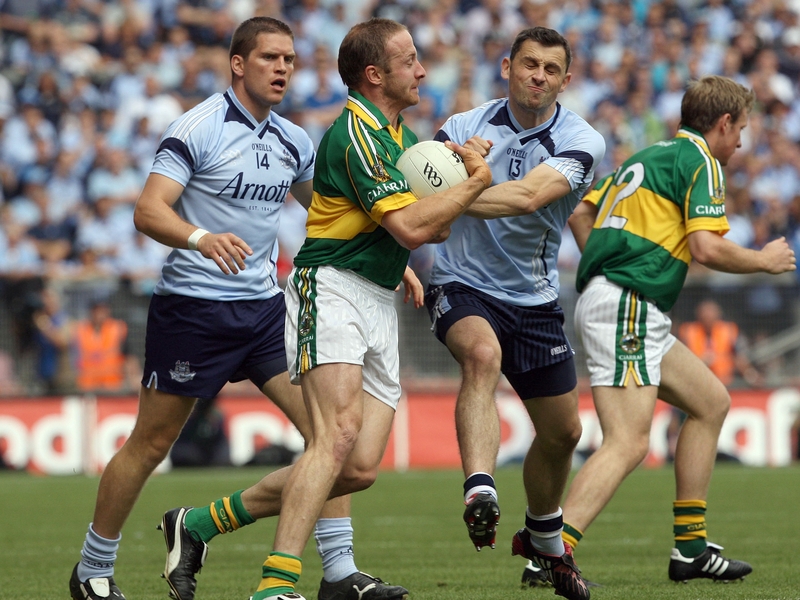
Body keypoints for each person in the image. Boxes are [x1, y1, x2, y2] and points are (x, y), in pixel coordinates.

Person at [68, 17, 406, 600]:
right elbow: (148, 211)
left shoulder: (295, 141)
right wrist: (201, 238)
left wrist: (388, 261)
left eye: (291, 60)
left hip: (264, 314)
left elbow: (332, 216)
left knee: (332, 441)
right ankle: (92, 568)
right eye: (271, 57)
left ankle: (339, 570)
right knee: (150, 443)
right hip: (193, 310)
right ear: (238, 64)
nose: (283, 69)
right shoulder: (196, 128)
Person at [250, 18, 491, 600]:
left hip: (379, 296)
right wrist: (475, 182)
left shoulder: (401, 139)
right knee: (334, 437)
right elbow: (411, 226)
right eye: (411, 60)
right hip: (329, 287)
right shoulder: (356, 133)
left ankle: (202, 523)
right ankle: (275, 584)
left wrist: (455, 172)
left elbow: (431, 230)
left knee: (357, 467)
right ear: (376, 75)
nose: (423, 70)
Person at [562, 75, 795, 584]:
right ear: (723, 122)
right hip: (628, 304)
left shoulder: (647, 156)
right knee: (626, 442)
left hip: (626, 302)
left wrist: (604, 261)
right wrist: (764, 260)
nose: (742, 142)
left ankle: (689, 549)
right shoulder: (701, 161)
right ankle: (552, 553)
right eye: (742, 130)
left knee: (711, 402)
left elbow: (582, 209)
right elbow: (708, 248)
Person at [423, 27, 605, 600]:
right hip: (460, 283)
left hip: (534, 297)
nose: (539, 76)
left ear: (566, 80)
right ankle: (480, 486)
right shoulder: (459, 128)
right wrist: (451, 184)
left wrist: (465, 181)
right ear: (507, 65)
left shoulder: (583, 140)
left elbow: (528, 197)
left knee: (565, 432)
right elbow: (424, 202)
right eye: (530, 64)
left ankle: (543, 534)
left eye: (552, 70)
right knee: (481, 355)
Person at [678, 298, 762, 387]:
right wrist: (701, 362)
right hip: (695, 381)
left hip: (726, 383)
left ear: (718, 314)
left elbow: (740, 357)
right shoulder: (688, 331)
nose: (707, 315)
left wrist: (751, 376)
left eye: (710, 311)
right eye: (704, 312)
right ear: (698, 314)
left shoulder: (730, 331)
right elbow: (680, 359)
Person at [74, 297, 138, 394]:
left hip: (112, 385)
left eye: (103, 310)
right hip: (88, 386)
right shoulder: (81, 330)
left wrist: (133, 378)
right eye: (97, 311)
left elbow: (128, 356)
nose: (100, 314)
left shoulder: (118, 328)